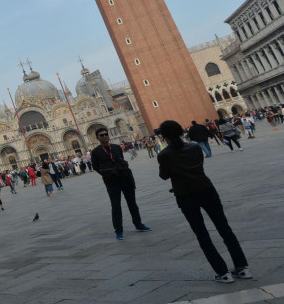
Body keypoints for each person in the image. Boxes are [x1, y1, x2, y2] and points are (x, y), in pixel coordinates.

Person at [157, 120, 251, 283]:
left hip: (186, 195)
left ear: (165, 136)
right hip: (207, 189)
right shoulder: (194, 147)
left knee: (202, 234)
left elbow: (164, 175)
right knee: (224, 228)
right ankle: (242, 268)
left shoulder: (164, 154)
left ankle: (223, 273)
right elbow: (198, 164)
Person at [91, 128, 151, 240]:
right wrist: (107, 174)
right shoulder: (95, 152)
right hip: (111, 182)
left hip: (125, 178)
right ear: (97, 138)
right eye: (101, 135)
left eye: (106, 134)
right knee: (116, 206)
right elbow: (95, 167)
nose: (104, 136)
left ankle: (138, 224)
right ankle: (118, 230)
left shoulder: (116, 147)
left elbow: (121, 160)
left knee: (132, 203)